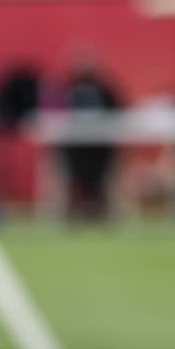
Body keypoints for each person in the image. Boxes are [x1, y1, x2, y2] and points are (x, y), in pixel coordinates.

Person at [57, 50, 124, 222]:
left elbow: (119, 112)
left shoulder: (106, 90)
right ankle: (75, 207)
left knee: (101, 169)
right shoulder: (66, 90)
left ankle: (101, 206)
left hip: (100, 151)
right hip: (75, 152)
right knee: (72, 168)